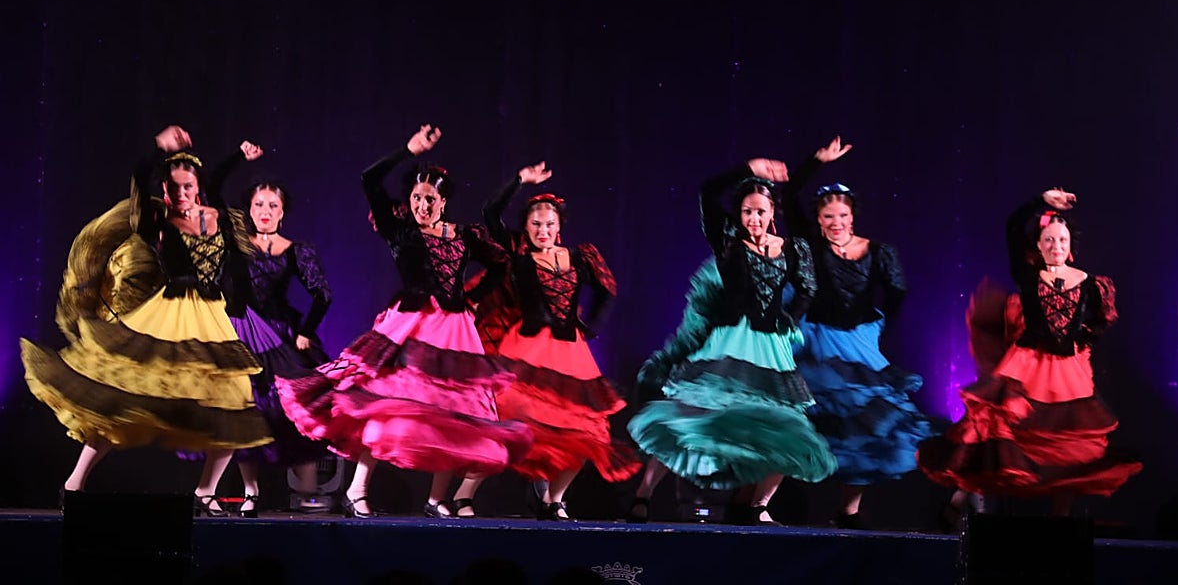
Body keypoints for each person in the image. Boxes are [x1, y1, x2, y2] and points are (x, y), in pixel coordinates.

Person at [276, 124, 531, 518]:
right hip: (411, 325)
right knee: (386, 403)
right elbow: (370, 179)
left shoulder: (464, 235)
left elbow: (501, 266)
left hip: (455, 330)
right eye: (416, 197)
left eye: (430, 200)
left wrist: (472, 299)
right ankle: (357, 490)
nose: (423, 206)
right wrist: (407, 151)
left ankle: (436, 498)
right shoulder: (400, 230)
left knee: (454, 410)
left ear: (444, 203)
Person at [20, 125, 272, 516]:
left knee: (233, 403)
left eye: (188, 188)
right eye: (174, 189)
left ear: (198, 187)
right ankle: (75, 482)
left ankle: (205, 490)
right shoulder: (157, 220)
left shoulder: (215, 214)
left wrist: (239, 156)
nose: (182, 195)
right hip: (168, 313)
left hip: (210, 318)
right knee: (122, 397)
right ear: (165, 190)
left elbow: (218, 185)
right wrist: (159, 149)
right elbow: (140, 178)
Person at [625, 156, 838, 525]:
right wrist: (747, 169)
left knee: (788, 426)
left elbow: (808, 287)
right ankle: (644, 493)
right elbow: (707, 192)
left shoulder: (793, 249)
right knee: (690, 415)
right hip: (729, 342)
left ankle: (759, 504)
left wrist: (789, 318)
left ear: (773, 212)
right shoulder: (727, 240)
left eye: (760, 212)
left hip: (770, 347)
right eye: (746, 212)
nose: (753, 220)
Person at [916, 188, 1143, 517]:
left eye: (1062, 241)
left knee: (1066, 440)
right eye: (1049, 241)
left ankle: (1062, 519)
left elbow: (1097, 321)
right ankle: (957, 505)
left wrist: (1081, 343)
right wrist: (1041, 203)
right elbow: (1012, 226)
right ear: (1037, 245)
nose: (1056, 247)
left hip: (1067, 371)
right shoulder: (1028, 276)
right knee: (997, 428)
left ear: (1071, 245)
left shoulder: (1090, 284)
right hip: (1027, 365)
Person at [461, 161, 640, 520]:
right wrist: (518, 180)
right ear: (526, 228)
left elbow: (608, 290)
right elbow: (490, 213)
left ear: (559, 227)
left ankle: (553, 500)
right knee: (511, 423)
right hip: (526, 348)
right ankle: (464, 495)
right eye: (536, 224)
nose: (543, 230)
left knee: (586, 431)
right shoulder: (518, 256)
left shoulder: (578, 256)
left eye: (549, 224)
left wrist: (589, 326)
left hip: (570, 353)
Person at [783, 139, 937, 529]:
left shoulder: (879, 251)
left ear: (853, 217)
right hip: (818, 339)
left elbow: (898, 291)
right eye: (828, 217)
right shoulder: (813, 246)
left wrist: (879, 329)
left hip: (860, 341)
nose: (836, 223)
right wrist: (815, 161)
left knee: (868, 425)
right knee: (801, 417)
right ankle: (754, 503)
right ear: (818, 221)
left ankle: (847, 512)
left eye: (842, 216)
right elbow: (788, 194)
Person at [224, 178, 336, 515]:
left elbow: (322, 292)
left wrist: (306, 331)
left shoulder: (295, 250)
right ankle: (250, 491)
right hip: (243, 333)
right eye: (259, 205)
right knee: (246, 410)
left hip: (281, 335)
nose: (265, 212)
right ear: (249, 210)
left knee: (294, 409)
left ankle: (307, 490)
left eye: (273, 206)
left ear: (282, 213)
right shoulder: (237, 247)